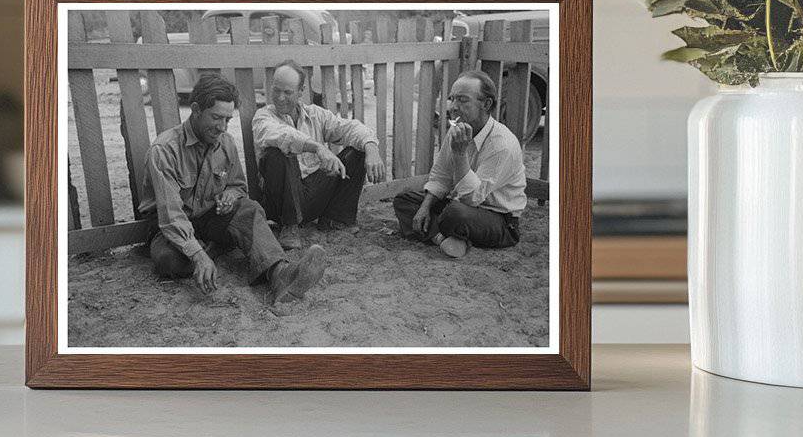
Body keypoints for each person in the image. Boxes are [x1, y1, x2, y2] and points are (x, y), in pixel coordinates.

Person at [138, 74, 327, 303]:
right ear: (196, 109)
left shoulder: (225, 142)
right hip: (167, 226)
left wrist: (230, 194)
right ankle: (210, 249)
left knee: (249, 209)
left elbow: (238, 185)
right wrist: (197, 254)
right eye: (216, 117)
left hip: (209, 217)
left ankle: (280, 274)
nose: (222, 127)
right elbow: (171, 216)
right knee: (170, 260)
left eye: (227, 119)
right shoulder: (164, 150)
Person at [252, 61, 386, 249]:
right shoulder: (264, 117)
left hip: (312, 195)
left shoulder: (315, 115)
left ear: (301, 91)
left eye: (288, 92)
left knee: (359, 150)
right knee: (277, 153)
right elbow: (281, 135)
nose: (280, 98)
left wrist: (371, 148)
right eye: (276, 90)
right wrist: (317, 147)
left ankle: (335, 219)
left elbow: (349, 127)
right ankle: (289, 227)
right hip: (281, 202)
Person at [393, 71, 526, 258]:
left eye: (462, 100)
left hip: (498, 219)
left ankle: (444, 233)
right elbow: (441, 176)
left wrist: (460, 154)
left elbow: (473, 198)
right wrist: (424, 207)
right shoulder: (458, 128)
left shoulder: (502, 145)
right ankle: (442, 239)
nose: (453, 107)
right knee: (404, 200)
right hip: (459, 204)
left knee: (454, 214)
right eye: (452, 99)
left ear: (486, 104)